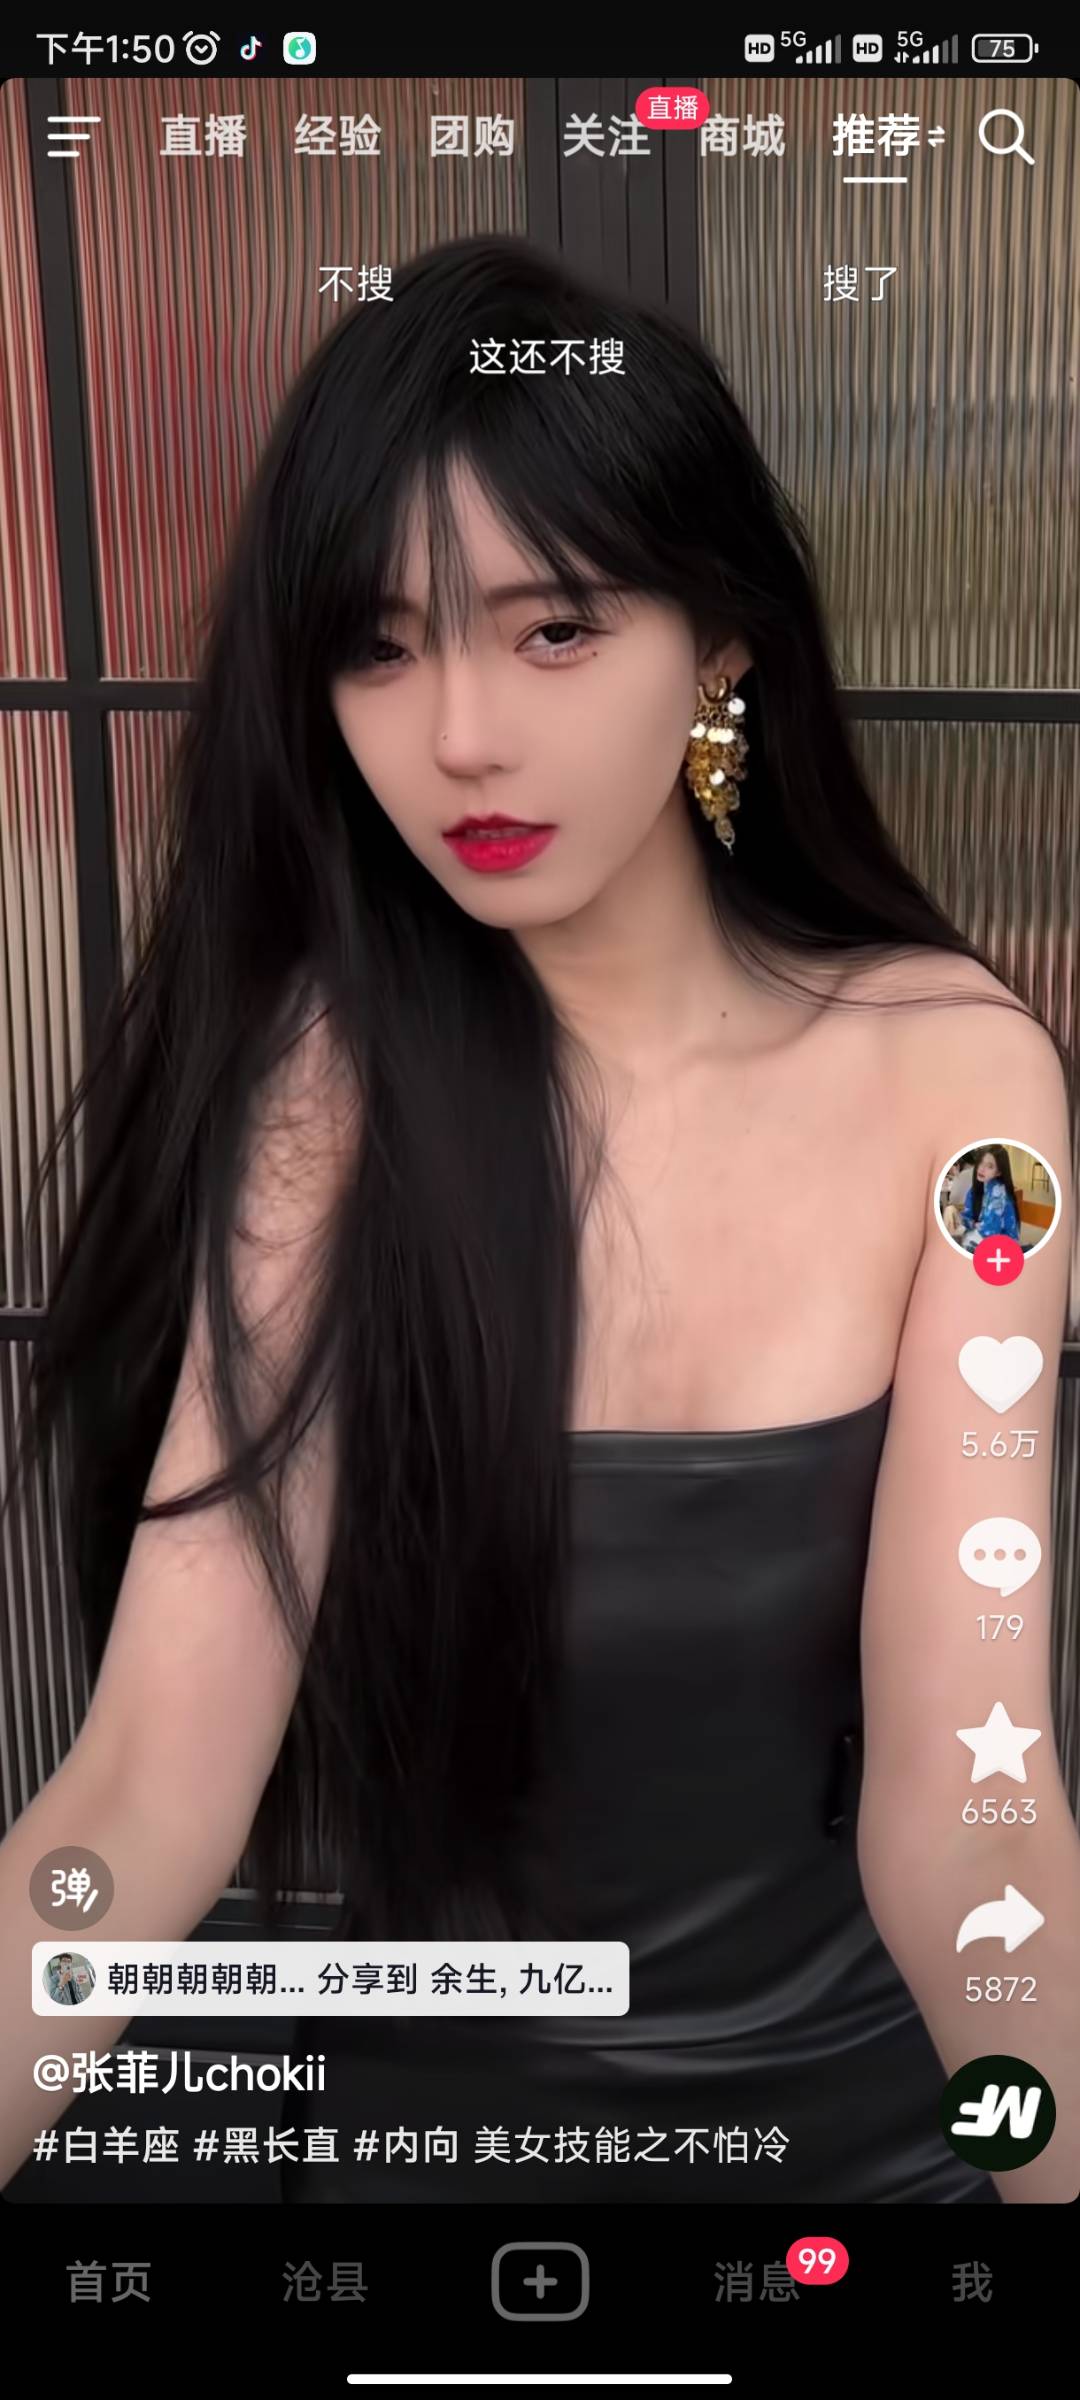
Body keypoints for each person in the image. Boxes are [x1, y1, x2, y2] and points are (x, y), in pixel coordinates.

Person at [1, 234, 1076, 2206]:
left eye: (555, 627)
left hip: (862, 2142)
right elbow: (144, 1794)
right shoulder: (330, 1092)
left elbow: (974, 1794)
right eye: (380, 645)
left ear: (721, 638)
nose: (462, 736)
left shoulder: (965, 1086)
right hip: (439, 2150)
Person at [954, 1146, 1022, 1251]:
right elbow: (966, 1217)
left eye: (990, 1166)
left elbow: (990, 1230)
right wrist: (971, 1223)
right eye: (981, 1162)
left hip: (1004, 1247)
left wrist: (974, 1225)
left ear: (998, 1172)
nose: (981, 1169)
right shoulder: (977, 1188)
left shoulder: (999, 1192)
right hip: (984, 1239)